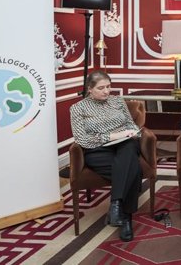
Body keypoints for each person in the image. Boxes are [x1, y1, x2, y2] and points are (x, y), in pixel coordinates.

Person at [70, 71, 142, 242]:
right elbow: (82, 139)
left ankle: (117, 207)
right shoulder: (78, 108)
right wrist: (110, 137)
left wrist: (132, 132)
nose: (106, 91)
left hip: (125, 144)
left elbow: (130, 123)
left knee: (129, 149)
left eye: (108, 87)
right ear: (89, 89)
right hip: (97, 149)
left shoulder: (117, 101)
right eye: (101, 88)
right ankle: (124, 216)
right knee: (133, 169)